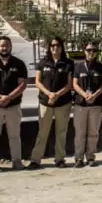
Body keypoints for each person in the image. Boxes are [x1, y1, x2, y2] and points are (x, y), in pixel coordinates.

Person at [0, 36, 29, 171]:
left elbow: (23, 84)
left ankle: (17, 161)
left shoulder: (19, 64)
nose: (4, 48)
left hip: (13, 106)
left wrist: (9, 97)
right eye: (2, 45)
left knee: (14, 135)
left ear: (11, 46)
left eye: (6, 45)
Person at [30, 37, 74, 169]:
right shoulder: (43, 62)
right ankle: (35, 159)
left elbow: (69, 84)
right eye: (53, 45)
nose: (55, 47)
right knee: (42, 132)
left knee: (61, 132)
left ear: (62, 47)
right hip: (45, 102)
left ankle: (59, 159)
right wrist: (49, 94)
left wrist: (56, 95)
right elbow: (37, 81)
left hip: (63, 102)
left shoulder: (68, 63)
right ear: (49, 47)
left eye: (58, 45)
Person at [72, 42, 102, 167]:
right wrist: (84, 95)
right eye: (88, 50)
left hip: (96, 104)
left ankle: (91, 157)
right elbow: (74, 84)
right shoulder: (78, 67)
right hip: (80, 105)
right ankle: (78, 158)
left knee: (93, 133)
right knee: (80, 133)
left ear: (97, 52)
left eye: (93, 50)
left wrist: (94, 96)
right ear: (84, 51)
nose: (91, 52)